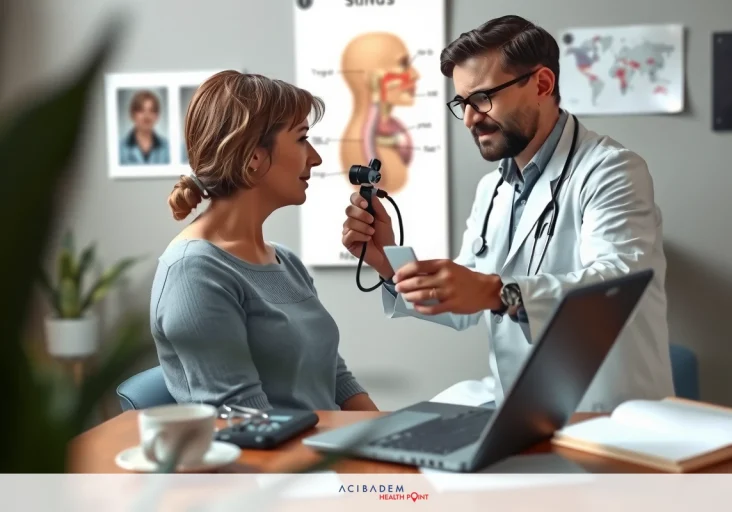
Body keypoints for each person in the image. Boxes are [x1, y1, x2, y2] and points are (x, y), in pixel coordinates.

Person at [341, 15, 673, 413]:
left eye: (482, 98)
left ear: (542, 84)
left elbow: (618, 284)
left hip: (604, 411)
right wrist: (388, 264)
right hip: (522, 410)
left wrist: (497, 292)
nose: (469, 118)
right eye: (461, 103)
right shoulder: (493, 188)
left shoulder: (612, 170)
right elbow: (464, 299)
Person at [150, 70, 377, 412]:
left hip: (328, 451)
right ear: (254, 157)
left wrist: (387, 438)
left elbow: (335, 378)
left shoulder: (285, 262)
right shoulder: (194, 274)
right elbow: (249, 423)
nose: (314, 158)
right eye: (302, 139)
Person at [119, 89, 170, 165]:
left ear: (157, 115)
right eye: (141, 110)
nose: (146, 116)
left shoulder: (167, 148)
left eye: (151, 110)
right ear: (132, 114)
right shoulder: (120, 148)